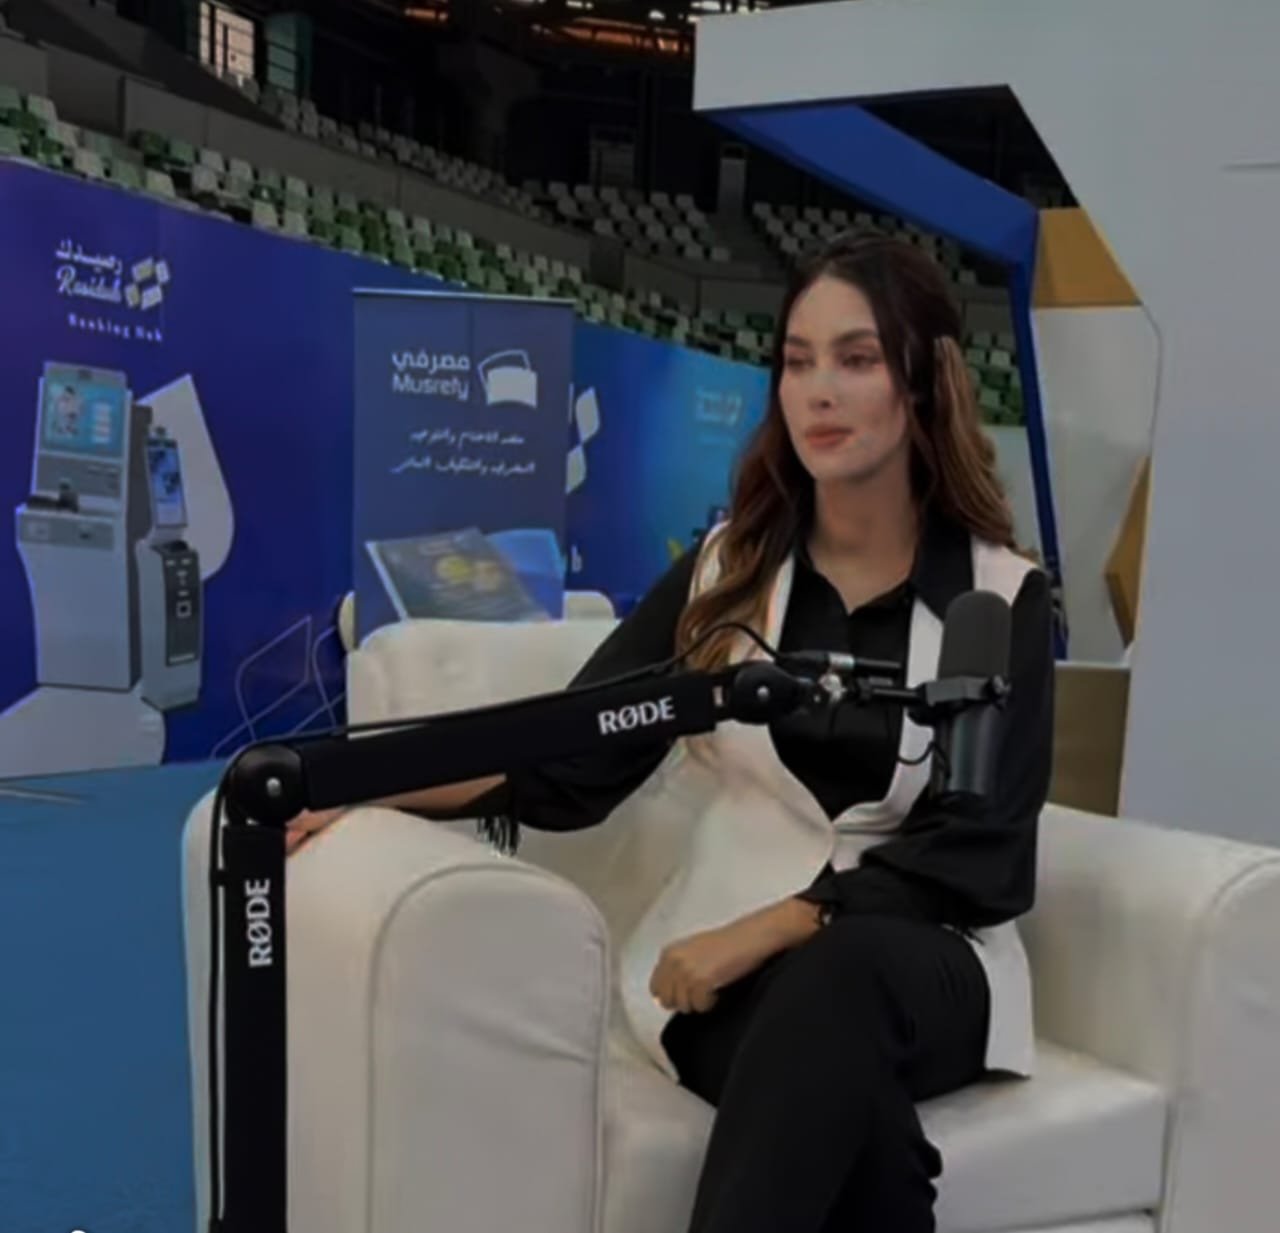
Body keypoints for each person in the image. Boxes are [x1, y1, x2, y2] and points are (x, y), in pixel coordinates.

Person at [287, 231, 1055, 1233]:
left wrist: (784, 923)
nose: (818, 392)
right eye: (796, 362)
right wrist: (361, 780)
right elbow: (577, 747)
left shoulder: (998, 597)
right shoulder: (727, 571)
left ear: (922, 382)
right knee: (861, 1135)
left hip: (923, 964)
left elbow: (982, 847)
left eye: (856, 359)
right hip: (725, 977)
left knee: (842, 973)